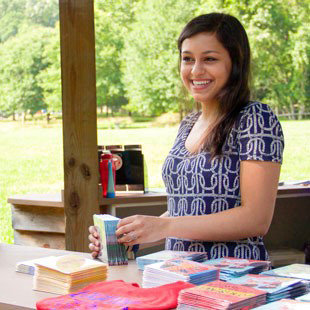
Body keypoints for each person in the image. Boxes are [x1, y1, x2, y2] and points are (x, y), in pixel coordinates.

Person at [89, 12, 284, 260]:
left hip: (234, 283)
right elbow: (185, 210)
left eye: (210, 59)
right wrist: (129, 237)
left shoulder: (255, 118)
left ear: (236, 63)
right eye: (187, 59)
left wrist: (164, 227)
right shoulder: (188, 123)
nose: (196, 70)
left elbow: (256, 219)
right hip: (178, 277)